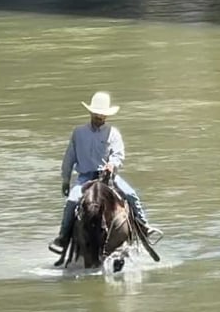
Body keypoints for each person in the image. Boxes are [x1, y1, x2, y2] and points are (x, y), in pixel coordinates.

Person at [48, 91, 156, 255]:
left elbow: (118, 154)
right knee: (71, 201)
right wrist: (65, 180)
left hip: (108, 177)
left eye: (102, 114)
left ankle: (143, 226)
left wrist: (112, 165)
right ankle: (63, 237)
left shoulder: (113, 133)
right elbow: (69, 158)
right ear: (91, 113)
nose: (99, 117)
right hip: (85, 177)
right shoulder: (78, 133)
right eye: (97, 114)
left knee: (131, 194)